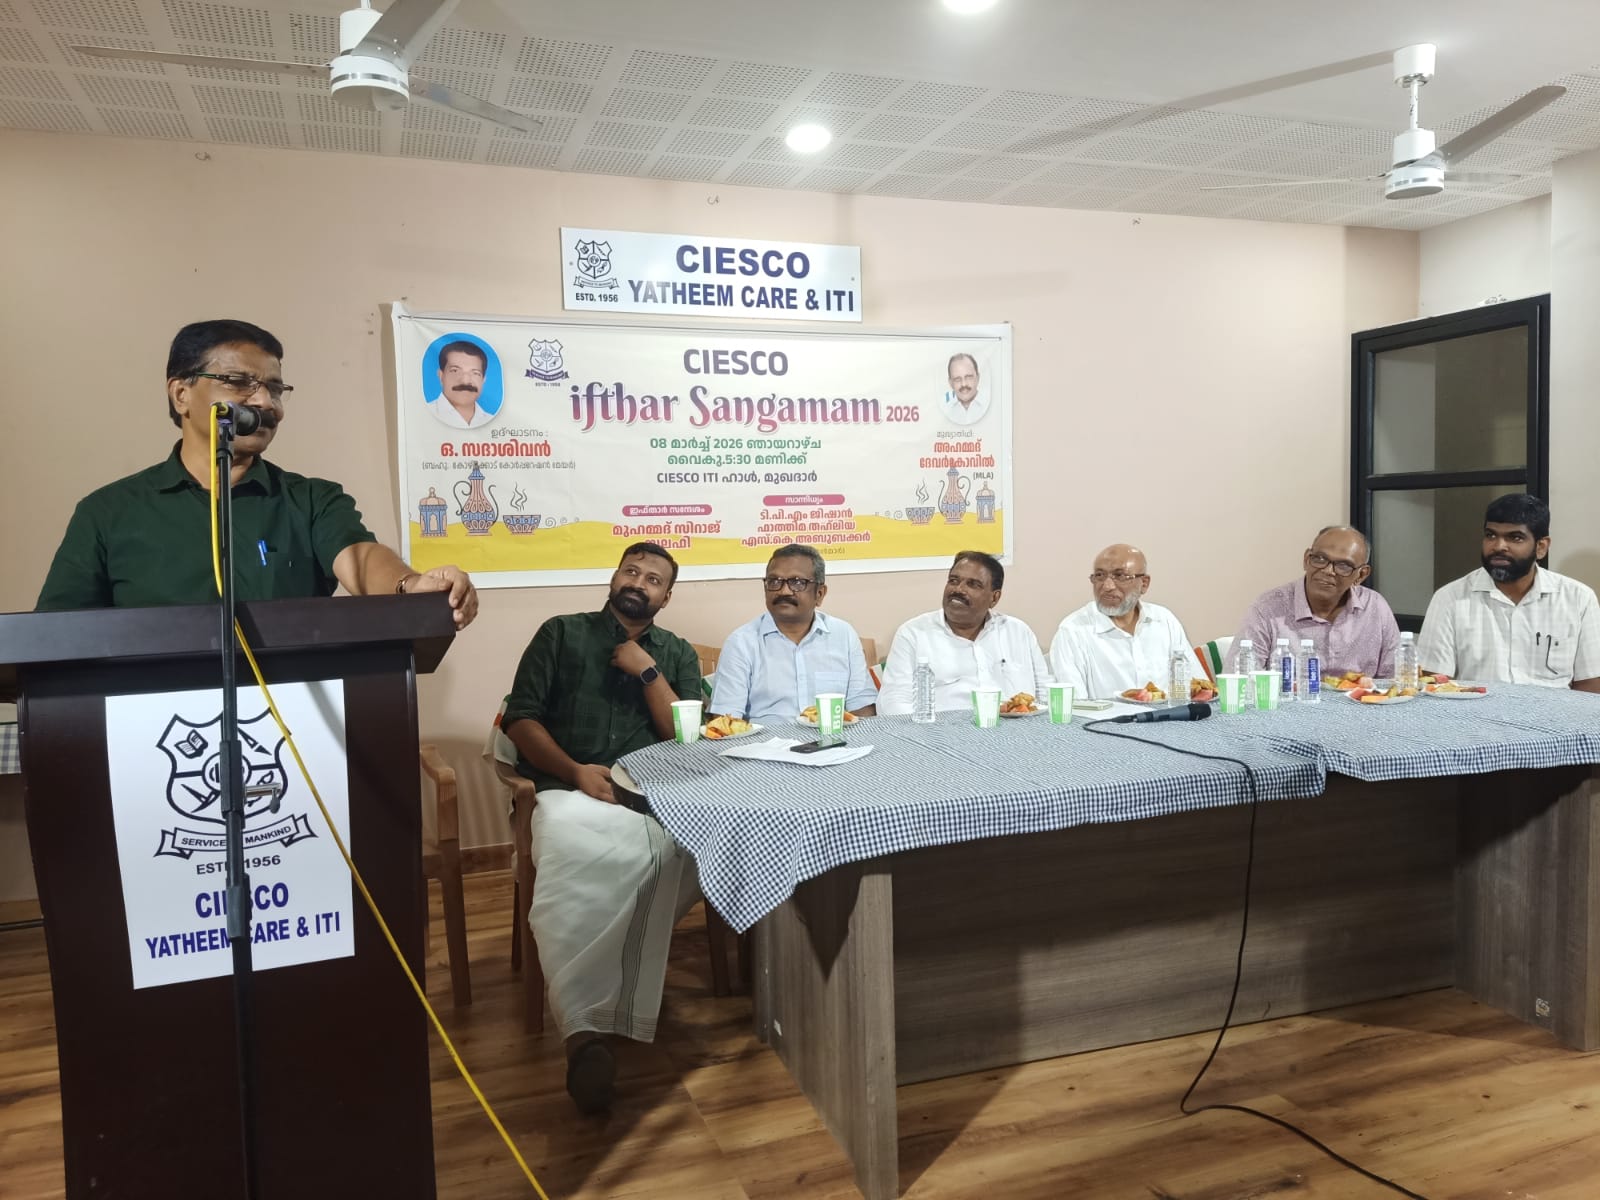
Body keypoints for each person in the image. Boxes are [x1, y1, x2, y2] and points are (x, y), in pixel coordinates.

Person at [36, 319, 477, 626]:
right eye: (239, 382)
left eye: (275, 389)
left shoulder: (311, 500)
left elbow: (359, 558)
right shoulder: (107, 512)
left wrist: (411, 586)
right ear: (181, 394)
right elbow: (56, 636)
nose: (266, 403)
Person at [499, 542, 703, 1114]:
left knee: (684, 852)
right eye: (631, 570)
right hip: (566, 789)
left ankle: (593, 1011)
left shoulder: (676, 653)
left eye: (654, 578)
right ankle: (583, 1033)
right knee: (571, 853)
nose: (639, 581)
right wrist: (574, 772)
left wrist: (648, 671)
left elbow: (686, 737)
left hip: (649, 797)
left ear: (666, 597)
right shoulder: (560, 633)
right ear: (614, 578)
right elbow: (521, 718)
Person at [1417, 494, 1600, 691]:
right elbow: (1434, 685)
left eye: (1515, 538)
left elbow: (1590, 686)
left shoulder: (1578, 599)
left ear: (1541, 547)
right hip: (1476, 710)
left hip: (1553, 711)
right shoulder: (1450, 598)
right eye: (1491, 535)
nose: (1498, 546)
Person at [710, 544, 877, 722]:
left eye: (797, 582)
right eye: (774, 581)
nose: (784, 591)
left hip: (832, 737)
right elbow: (725, 719)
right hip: (766, 739)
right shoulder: (741, 642)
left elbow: (863, 707)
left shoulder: (843, 635)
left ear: (819, 594)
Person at [879, 551, 1048, 714]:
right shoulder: (913, 634)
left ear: (994, 598)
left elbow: (1044, 694)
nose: (959, 589)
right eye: (953, 581)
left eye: (973, 584)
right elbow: (893, 702)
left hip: (1017, 728)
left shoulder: (1018, 632)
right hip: (941, 730)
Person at [1227, 525, 1398, 678]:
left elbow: (1396, 680)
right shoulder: (1268, 608)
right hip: (1290, 703)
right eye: (1320, 559)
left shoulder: (1375, 607)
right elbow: (1238, 681)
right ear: (1306, 559)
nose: (1328, 571)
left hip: (1361, 703)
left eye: (1343, 565)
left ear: (1361, 575)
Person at [1049, 543, 1207, 698]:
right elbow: (1074, 705)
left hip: (1171, 715)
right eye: (1100, 576)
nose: (1107, 586)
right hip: (1106, 716)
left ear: (1144, 583)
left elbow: (1198, 688)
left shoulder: (1164, 620)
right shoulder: (1073, 631)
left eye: (1120, 576)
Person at [425, 340, 497, 429]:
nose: (465, 381)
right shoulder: (421, 415)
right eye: (455, 370)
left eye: (475, 373)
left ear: (483, 379)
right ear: (441, 376)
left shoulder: (495, 423)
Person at [940, 352, 989, 426]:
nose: (964, 384)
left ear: (978, 378)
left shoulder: (991, 405)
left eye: (968, 377)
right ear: (950, 383)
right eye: (957, 379)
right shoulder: (943, 409)